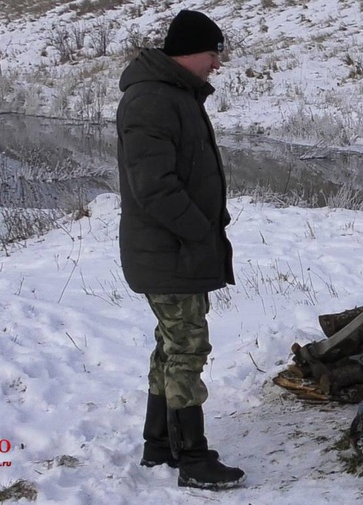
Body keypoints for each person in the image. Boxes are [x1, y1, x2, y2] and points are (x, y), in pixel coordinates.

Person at [116, 9, 244, 490]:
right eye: (213, 53)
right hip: (170, 251)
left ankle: (159, 444)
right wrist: (199, 231)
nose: (217, 63)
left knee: (170, 347)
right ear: (190, 51)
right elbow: (154, 186)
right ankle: (192, 457)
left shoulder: (173, 94)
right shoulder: (152, 100)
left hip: (174, 249)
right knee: (188, 347)